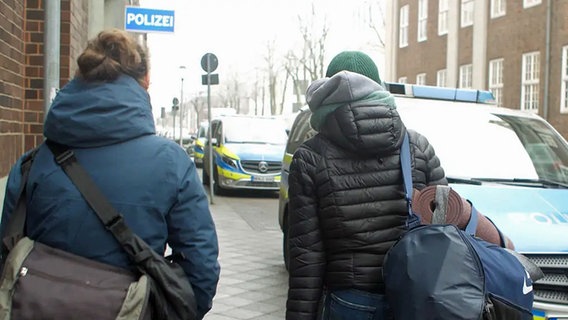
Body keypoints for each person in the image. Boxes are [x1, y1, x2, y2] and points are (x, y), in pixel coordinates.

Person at [0, 28, 220, 319]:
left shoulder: (33, 162)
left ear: (80, 77)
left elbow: (8, 254)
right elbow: (200, 270)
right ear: (146, 82)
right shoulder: (172, 163)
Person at [285, 51, 447, 320]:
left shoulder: (310, 158)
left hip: (349, 303)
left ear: (327, 92)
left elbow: (307, 257)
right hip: (414, 299)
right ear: (378, 87)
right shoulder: (417, 147)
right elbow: (445, 225)